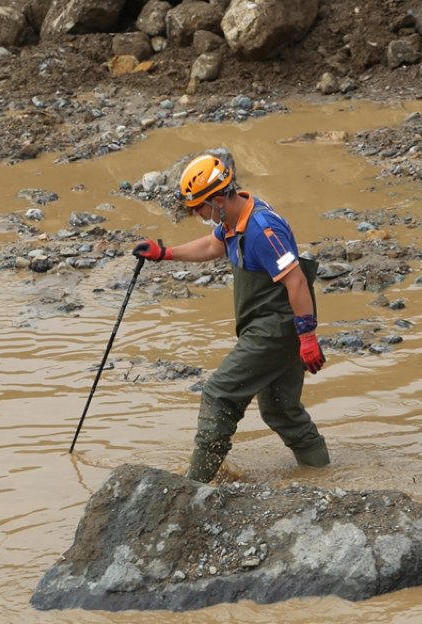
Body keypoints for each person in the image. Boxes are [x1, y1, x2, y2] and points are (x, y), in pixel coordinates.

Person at [133, 153, 330, 482]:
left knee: (219, 393)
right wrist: (164, 252)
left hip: (277, 327)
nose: (197, 214)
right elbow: (212, 248)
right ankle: (324, 475)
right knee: (281, 410)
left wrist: (307, 336)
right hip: (264, 324)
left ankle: (195, 483)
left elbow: (295, 281)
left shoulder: (262, 230)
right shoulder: (231, 222)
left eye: (199, 207)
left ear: (219, 199)